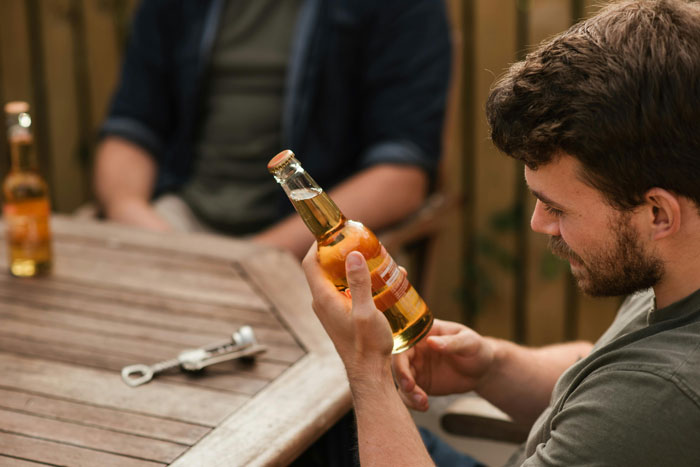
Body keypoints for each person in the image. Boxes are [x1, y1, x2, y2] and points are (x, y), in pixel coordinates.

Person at [302, 0, 700, 465]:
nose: (539, 223)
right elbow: (604, 380)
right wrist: (491, 367)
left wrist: (366, 369)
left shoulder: (665, 395)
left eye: (557, 208)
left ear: (657, 213)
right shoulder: (676, 269)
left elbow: (633, 405)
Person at [93, 0, 451, 259]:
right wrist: (137, 220)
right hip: (178, 225)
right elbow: (132, 126)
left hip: (316, 244)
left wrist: (258, 258)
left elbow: (401, 176)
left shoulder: (408, 8)